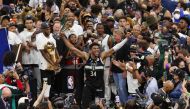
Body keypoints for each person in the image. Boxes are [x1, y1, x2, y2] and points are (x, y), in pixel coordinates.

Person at [60, 30, 128, 108]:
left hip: (99, 86)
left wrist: (126, 39)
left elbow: (115, 48)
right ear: (90, 50)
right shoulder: (86, 56)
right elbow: (72, 48)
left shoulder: (102, 56)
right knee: (85, 106)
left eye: (98, 48)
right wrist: (63, 38)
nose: (97, 50)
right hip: (88, 86)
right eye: (94, 48)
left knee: (99, 106)